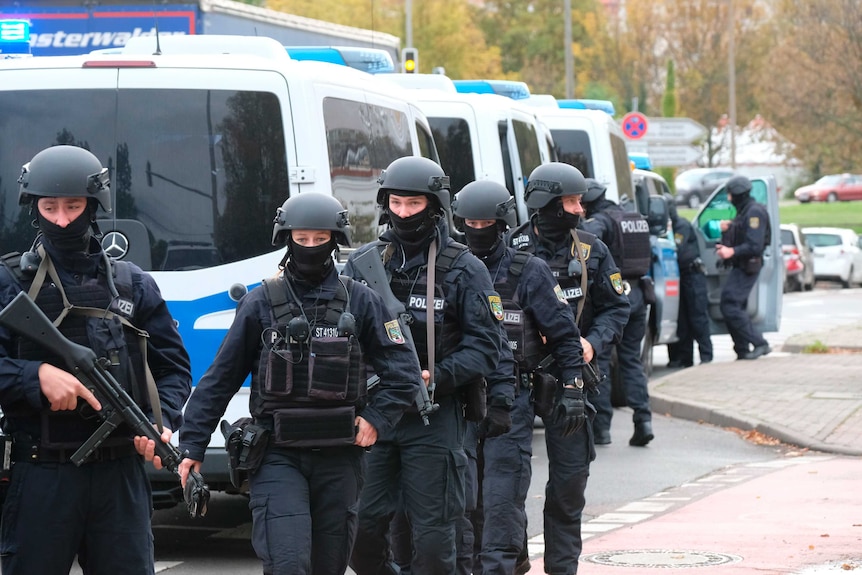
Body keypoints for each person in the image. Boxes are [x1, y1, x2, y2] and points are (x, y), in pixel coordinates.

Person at [177, 192, 422, 575]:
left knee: (329, 565)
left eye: (319, 239)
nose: (309, 247)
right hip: (277, 453)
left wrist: (376, 418)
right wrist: (191, 444)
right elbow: (219, 380)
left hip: (340, 455)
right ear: (287, 239)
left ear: (335, 240)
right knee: (288, 564)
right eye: (301, 239)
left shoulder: (363, 301)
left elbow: (403, 373)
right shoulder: (258, 304)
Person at [0, 145, 192, 575]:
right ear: (35, 209)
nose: (63, 219)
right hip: (41, 472)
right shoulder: (10, 281)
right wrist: (35, 376)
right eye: (50, 207)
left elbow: (173, 367)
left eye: (73, 206)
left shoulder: (132, 284)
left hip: (120, 475)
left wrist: (161, 420)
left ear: (94, 207)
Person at [343, 156, 506, 575]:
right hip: (377, 414)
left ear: (435, 206)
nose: (402, 213)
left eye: (413, 205)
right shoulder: (364, 264)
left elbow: (486, 349)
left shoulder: (464, 268)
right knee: (360, 533)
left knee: (435, 542)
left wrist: (437, 374)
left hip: (436, 416)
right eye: (395, 203)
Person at [452, 180, 586, 575]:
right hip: (458, 397)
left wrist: (574, 387)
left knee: (501, 494)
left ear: (504, 223)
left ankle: (499, 566)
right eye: (470, 222)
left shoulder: (528, 271)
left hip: (512, 397)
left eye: (486, 222)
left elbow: (564, 336)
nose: (478, 230)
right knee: (463, 498)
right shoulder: (450, 269)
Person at [508, 162, 629, 574]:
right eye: (572, 201)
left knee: (570, 482)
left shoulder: (593, 249)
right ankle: (514, 555)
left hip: (572, 379)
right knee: (506, 483)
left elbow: (616, 308)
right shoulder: (510, 247)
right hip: (516, 380)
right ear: (548, 203)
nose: (580, 209)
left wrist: (592, 344)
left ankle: (562, 568)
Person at [580, 178, 655, 447]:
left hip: (612, 296)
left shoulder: (600, 221)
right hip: (638, 293)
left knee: (597, 358)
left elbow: (584, 240)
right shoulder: (633, 217)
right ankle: (643, 420)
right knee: (631, 360)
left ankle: (602, 429)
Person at [715, 175, 772, 360]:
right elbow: (742, 231)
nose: (729, 198)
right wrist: (728, 229)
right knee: (734, 305)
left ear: (738, 194)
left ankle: (760, 343)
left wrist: (731, 252)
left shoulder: (754, 213)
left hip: (748, 265)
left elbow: (754, 245)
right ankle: (742, 349)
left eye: (730, 195)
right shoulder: (745, 212)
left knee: (729, 304)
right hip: (742, 265)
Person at [666, 195, 713, 367]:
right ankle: (685, 359)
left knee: (698, 318)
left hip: (693, 276)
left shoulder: (681, 226)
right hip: (679, 278)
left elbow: (677, 248)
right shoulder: (667, 228)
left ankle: (706, 356)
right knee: (682, 320)